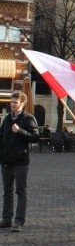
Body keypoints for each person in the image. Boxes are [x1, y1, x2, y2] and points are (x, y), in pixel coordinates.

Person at [0, 91, 39, 232]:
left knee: (21, 192)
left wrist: (20, 131)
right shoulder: (7, 119)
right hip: (5, 161)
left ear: (22, 103)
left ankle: (19, 221)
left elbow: (35, 137)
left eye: (15, 102)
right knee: (7, 192)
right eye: (11, 102)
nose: (12, 105)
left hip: (20, 162)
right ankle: (6, 219)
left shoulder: (28, 118)